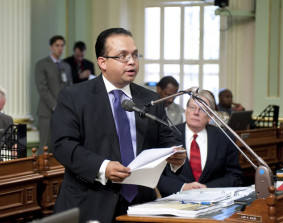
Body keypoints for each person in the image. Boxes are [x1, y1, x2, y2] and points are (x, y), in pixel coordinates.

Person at [51, 28, 186, 223]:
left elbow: (167, 138)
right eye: (123, 56)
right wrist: (102, 167)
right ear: (102, 62)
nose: (131, 61)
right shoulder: (74, 97)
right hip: (90, 201)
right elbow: (63, 144)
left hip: (140, 204)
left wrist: (176, 156)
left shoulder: (150, 99)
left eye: (134, 55)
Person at [157, 90, 242, 197]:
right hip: (176, 199)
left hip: (213, 200)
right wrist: (183, 187)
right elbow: (158, 176)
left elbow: (234, 176)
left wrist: (207, 188)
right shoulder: (168, 136)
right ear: (186, 111)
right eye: (192, 107)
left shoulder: (225, 138)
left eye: (202, 109)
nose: (196, 112)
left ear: (210, 115)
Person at [35, 35, 72, 154]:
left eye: (62, 45)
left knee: (61, 144)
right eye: (57, 45)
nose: (60, 48)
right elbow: (42, 89)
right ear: (51, 47)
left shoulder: (66, 66)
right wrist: (55, 106)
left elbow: (70, 88)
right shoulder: (41, 64)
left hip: (64, 112)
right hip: (47, 112)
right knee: (45, 145)